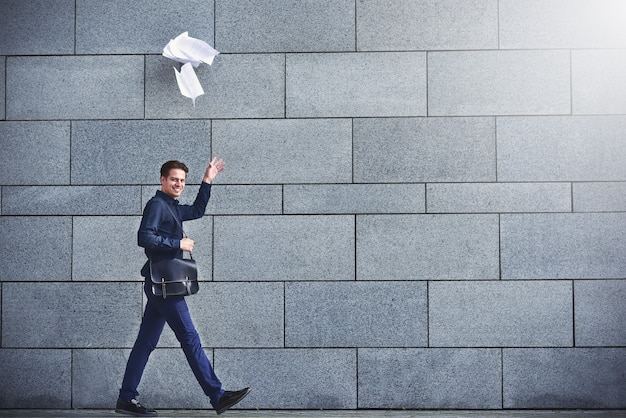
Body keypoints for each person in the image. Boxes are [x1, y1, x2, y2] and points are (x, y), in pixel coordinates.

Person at [116, 159, 250, 416]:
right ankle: (217, 395)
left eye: (182, 181)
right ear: (162, 180)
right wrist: (179, 244)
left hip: (162, 284)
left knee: (145, 343)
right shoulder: (157, 204)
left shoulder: (172, 206)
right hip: (164, 286)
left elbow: (197, 210)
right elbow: (144, 238)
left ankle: (125, 399)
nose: (178, 184)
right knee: (189, 338)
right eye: (174, 179)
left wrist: (207, 179)